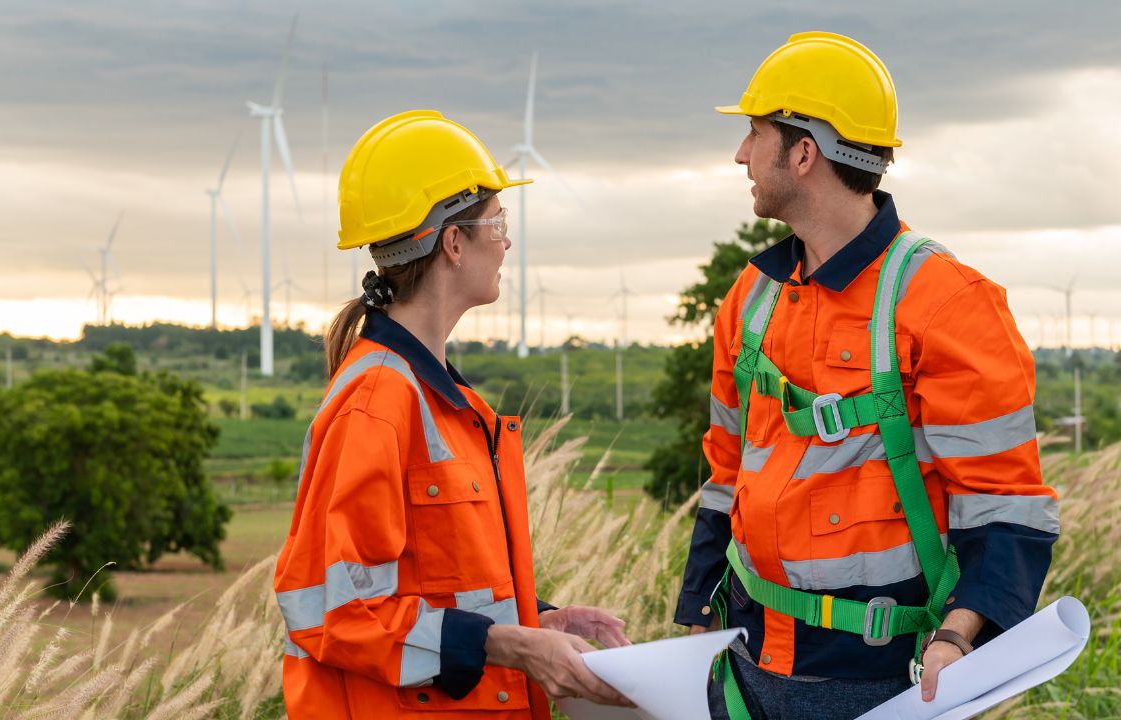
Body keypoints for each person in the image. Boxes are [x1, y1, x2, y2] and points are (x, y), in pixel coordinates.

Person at [675, 32, 1060, 720]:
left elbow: (1005, 503)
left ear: (803, 152)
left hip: (884, 684)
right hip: (745, 664)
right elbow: (725, 468)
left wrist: (958, 640)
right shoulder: (750, 297)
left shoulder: (947, 301)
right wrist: (702, 612)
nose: (740, 155)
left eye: (753, 134)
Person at [274, 110, 632, 718]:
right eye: (498, 222)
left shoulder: (446, 404)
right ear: (453, 242)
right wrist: (514, 645)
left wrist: (537, 619)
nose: (508, 241)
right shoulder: (378, 405)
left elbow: (436, 585)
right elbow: (342, 612)